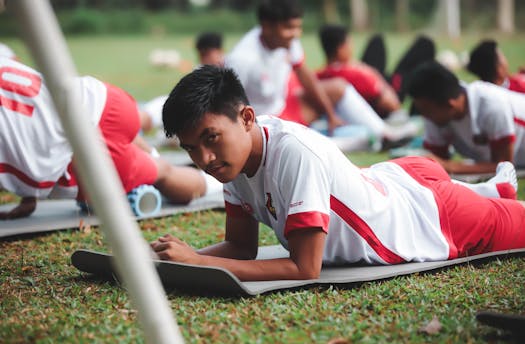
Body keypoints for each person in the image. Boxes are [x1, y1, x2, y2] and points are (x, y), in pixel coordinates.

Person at [150, 65, 525, 282]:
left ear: (247, 118)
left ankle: (489, 198)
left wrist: (199, 263)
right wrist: (183, 256)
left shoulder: (293, 153)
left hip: (434, 217)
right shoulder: (234, 157)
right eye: (191, 149)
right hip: (394, 177)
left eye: (210, 139)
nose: (205, 158)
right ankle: (491, 191)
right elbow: (241, 248)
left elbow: (304, 267)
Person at [0, 57, 220, 219]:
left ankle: (220, 183)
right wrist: (27, 192)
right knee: (133, 127)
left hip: (75, 155)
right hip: (100, 98)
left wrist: (27, 189)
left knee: (162, 173)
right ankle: (156, 115)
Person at [225, 0, 418, 147]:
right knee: (298, 145)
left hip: (287, 106)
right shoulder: (243, 59)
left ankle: (384, 133)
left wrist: (330, 112)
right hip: (264, 123)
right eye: (289, 28)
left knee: (337, 87)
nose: (296, 33)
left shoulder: (288, 42)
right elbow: (229, 107)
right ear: (267, 26)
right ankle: (358, 142)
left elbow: (305, 75)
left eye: (298, 27)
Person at [407, 60, 525, 175]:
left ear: (450, 104)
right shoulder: (436, 113)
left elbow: (504, 167)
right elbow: (435, 162)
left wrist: (450, 166)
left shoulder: (492, 105)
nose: (425, 116)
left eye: (426, 110)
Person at [139, 32, 225, 133]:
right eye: (200, 55)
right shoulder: (200, 70)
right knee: (161, 104)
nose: (203, 59)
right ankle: (134, 124)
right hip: (188, 116)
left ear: (220, 51)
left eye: (206, 54)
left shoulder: (234, 68)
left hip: (209, 119)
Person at [317, 24, 404, 120]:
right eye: (349, 44)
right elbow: (393, 105)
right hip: (380, 105)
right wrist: (372, 73)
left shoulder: (316, 76)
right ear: (341, 49)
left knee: (376, 41)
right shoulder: (359, 75)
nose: (352, 48)